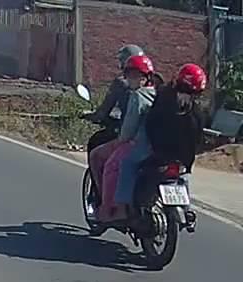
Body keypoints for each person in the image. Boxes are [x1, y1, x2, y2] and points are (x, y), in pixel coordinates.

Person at [112, 63, 208, 223]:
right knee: (182, 176)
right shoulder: (194, 110)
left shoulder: (164, 98)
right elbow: (197, 138)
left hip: (159, 152)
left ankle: (123, 207)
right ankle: (187, 210)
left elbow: (151, 124)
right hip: (176, 156)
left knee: (127, 163)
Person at [92, 54, 157, 223]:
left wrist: (119, 140)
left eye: (135, 75)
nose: (131, 79)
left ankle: (110, 209)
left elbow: (127, 131)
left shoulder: (137, 96)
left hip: (137, 143)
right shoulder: (158, 94)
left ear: (145, 77)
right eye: (129, 74)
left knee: (105, 162)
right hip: (157, 146)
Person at [86, 44, 145, 125]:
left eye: (121, 61)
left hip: (127, 127)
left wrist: (88, 116)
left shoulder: (121, 83)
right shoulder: (151, 81)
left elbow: (103, 112)